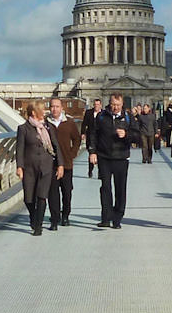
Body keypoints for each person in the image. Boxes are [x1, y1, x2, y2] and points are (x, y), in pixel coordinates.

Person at [14, 101, 60, 237]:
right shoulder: (23, 129)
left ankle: (38, 227)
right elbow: (20, 149)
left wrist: (60, 164)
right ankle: (33, 218)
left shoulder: (48, 127)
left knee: (41, 196)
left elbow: (56, 147)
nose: (44, 112)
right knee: (28, 199)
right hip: (29, 168)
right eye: (42, 110)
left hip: (46, 167)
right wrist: (19, 167)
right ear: (34, 113)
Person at [90, 92, 133, 228]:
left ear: (122, 104)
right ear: (109, 103)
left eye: (118, 105)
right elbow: (93, 134)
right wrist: (92, 152)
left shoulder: (128, 117)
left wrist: (126, 135)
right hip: (104, 157)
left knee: (120, 189)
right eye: (113, 104)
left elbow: (137, 136)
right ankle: (106, 218)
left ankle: (117, 218)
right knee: (105, 188)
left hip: (121, 157)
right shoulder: (102, 117)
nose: (115, 107)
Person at [45, 96, 81, 229]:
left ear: (62, 108)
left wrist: (72, 154)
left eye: (57, 106)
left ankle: (65, 215)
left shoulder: (69, 123)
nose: (54, 109)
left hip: (66, 163)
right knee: (52, 193)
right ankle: (54, 219)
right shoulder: (45, 123)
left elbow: (77, 139)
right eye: (52, 106)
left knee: (67, 191)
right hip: (51, 164)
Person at [81, 98, 105, 178]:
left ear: (101, 105)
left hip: (101, 137)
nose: (96, 106)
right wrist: (83, 133)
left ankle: (100, 173)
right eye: (95, 104)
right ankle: (90, 170)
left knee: (100, 155)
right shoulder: (88, 113)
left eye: (98, 105)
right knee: (91, 154)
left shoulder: (104, 113)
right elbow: (84, 124)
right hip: (90, 136)